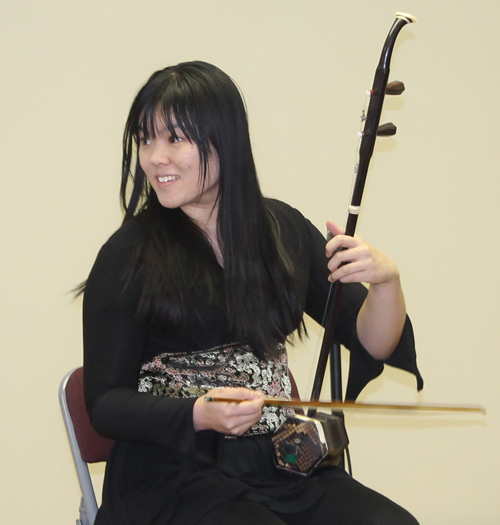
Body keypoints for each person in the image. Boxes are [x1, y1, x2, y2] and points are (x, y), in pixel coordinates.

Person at [83, 61, 423, 524]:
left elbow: (373, 342)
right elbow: (104, 405)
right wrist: (200, 415)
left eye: (174, 139)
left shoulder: (279, 230)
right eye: (146, 139)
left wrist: (386, 281)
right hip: (172, 471)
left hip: (281, 463)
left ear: (226, 141)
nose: (155, 157)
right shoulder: (128, 254)